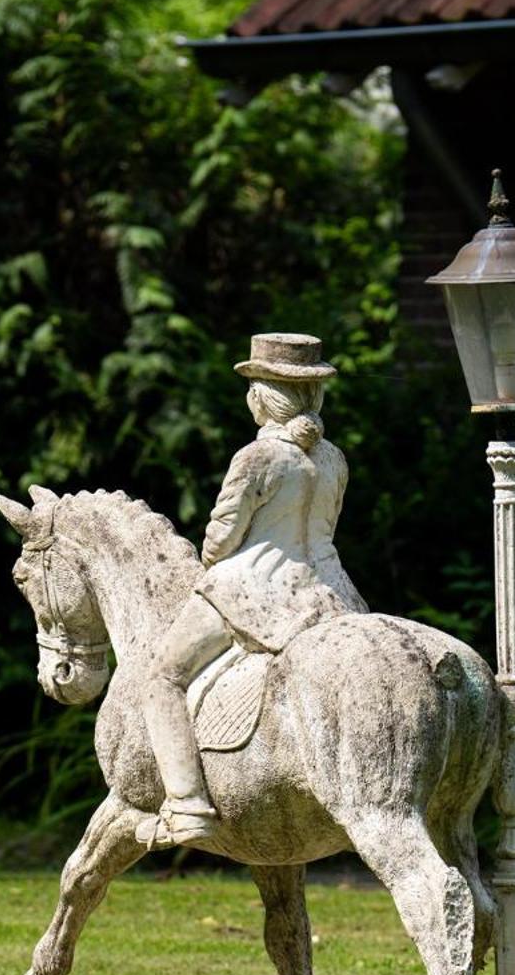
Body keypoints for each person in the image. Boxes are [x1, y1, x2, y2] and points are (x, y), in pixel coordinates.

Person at [140, 333, 366, 847]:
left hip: (256, 588)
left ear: (260, 396)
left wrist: (209, 564)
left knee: (162, 677)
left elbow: (223, 535)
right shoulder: (333, 459)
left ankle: (186, 804)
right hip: (330, 593)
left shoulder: (257, 457)